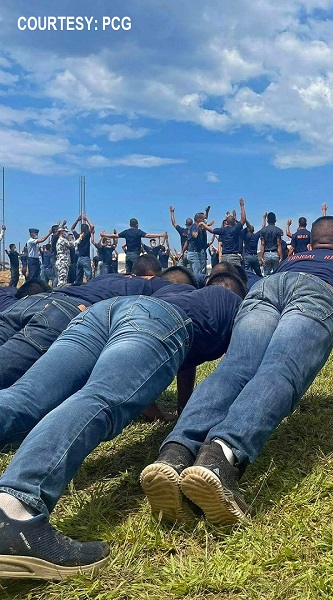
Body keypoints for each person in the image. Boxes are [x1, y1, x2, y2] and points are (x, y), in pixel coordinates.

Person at [0, 276, 243, 580]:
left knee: (26, 396)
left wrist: (171, 409)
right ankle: (14, 510)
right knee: (99, 398)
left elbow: (164, 363)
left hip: (101, 313)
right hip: (158, 322)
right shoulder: (234, 303)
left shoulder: (180, 292)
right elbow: (236, 368)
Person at [140, 217, 333, 526]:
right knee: (280, 370)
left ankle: (175, 453)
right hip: (317, 292)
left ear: (313, 241)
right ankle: (220, 458)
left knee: (235, 367)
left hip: (266, 289)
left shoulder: (292, 259)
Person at [0, 255, 169, 388]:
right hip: (67, 310)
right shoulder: (150, 284)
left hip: (37, 299)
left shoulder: (106, 277)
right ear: (151, 276)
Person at [70, 215, 95, 284]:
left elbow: (72, 229)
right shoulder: (87, 235)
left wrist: (77, 220)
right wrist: (86, 219)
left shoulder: (78, 236)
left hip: (79, 259)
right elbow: (92, 226)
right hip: (86, 258)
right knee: (89, 277)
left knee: (78, 278)